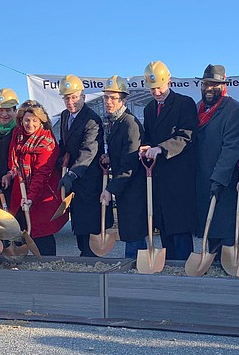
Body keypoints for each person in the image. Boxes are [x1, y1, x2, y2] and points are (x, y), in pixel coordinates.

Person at [139, 61, 198, 261]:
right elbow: (148, 136)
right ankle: (169, 270)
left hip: (179, 179)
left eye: (159, 88)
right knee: (164, 227)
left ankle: (185, 270)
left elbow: (186, 136)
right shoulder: (148, 109)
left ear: (169, 82)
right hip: (158, 178)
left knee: (180, 230)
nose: (156, 92)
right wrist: (146, 147)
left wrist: (161, 149)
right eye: (152, 89)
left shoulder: (184, 103)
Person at [195, 65, 239, 258]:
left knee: (227, 234)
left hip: (225, 185)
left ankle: (230, 276)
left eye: (214, 85)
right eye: (206, 84)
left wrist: (218, 180)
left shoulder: (234, 111)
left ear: (223, 86)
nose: (209, 89)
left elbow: (232, 148)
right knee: (210, 235)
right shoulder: (198, 109)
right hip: (203, 182)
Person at [3, 100, 67, 256]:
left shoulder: (47, 143)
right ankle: (24, 268)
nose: (29, 124)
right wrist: (11, 173)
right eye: (26, 120)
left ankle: (48, 267)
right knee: (19, 230)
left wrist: (31, 197)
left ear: (41, 121)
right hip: (21, 190)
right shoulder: (17, 134)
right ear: (21, 120)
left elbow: (41, 174)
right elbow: (13, 158)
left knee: (42, 233)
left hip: (43, 194)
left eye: (34, 121)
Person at [56, 75, 108, 257]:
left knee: (88, 220)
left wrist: (72, 174)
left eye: (74, 97)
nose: (71, 102)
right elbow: (64, 143)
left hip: (88, 177)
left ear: (83, 97)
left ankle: (90, 256)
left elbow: (89, 151)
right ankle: (83, 252)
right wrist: (59, 159)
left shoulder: (91, 120)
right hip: (74, 177)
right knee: (78, 220)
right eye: (67, 98)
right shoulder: (64, 116)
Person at [98, 76, 147, 258]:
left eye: (113, 98)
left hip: (133, 188)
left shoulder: (130, 124)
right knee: (129, 231)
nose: (108, 102)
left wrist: (110, 189)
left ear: (123, 100)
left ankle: (134, 270)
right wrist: (110, 156)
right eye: (106, 97)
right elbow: (121, 153)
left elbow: (130, 164)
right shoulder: (116, 122)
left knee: (134, 232)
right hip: (125, 189)